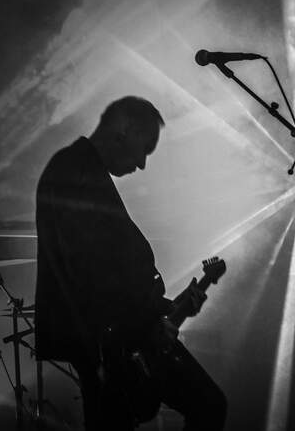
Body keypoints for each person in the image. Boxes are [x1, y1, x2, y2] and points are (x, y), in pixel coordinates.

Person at [34, 96, 227, 430]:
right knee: (208, 405)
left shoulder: (80, 169)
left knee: (203, 405)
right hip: (111, 340)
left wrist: (164, 309)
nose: (141, 164)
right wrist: (148, 321)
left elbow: (106, 268)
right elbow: (88, 271)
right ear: (124, 128)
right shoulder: (74, 171)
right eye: (144, 148)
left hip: (118, 335)